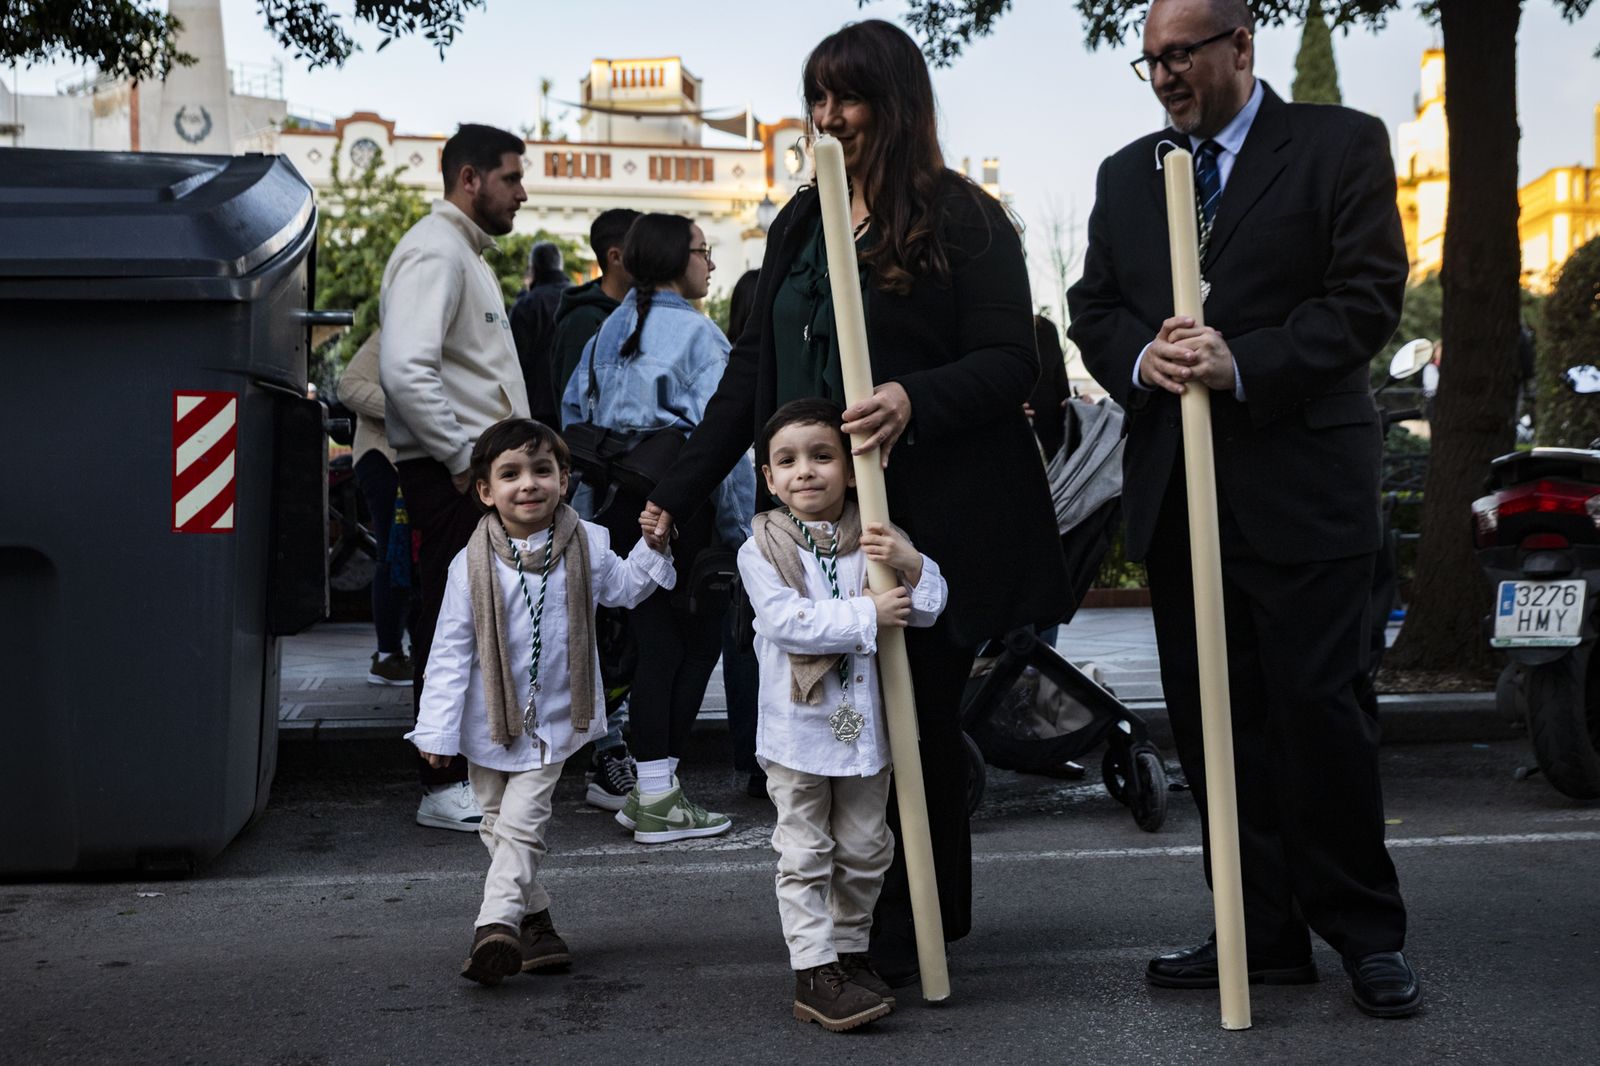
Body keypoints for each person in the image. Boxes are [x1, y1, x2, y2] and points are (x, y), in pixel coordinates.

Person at [641, 20, 1071, 986]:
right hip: (812, 527)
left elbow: (1014, 361)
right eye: (817, 98)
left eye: (847, 97)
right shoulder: (801, 221)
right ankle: (838, 926)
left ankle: (914, 928)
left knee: (910, 721)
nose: (827, 117)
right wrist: (681, 486)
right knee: (832, 726)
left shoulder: (967, 218)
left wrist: (916, 397)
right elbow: (753, 364)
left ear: (897, 104)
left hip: (926, 516)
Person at [1066, 0, 1419, 1018]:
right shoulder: (1126, 174)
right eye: (1149, 62)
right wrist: (1142, 355)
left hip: (1304, 493)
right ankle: (1260, 935)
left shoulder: (1337, 145)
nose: (1165, 75)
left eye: (1180, 55)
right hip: (1181, 497)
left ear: (1239, 44)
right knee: (1218, 725)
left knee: (1322, 718)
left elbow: (1367, 295)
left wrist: (1241, 361)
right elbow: (1093, 308)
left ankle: (1363, 933)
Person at [407, 418, 676, 985]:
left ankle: (495, 925)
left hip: (554, 716)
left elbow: (625, 590)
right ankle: (539, 925)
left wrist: (652, 548)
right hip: (486, 723)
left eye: (541, 471)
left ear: (565, 479)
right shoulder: (469, 564)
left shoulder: (590, 544)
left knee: (524, 824)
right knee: (497, 824)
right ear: (486, 491)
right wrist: (436, 731)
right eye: (510, 474)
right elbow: (450, 652)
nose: (527, 484)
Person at [738, 399, 947, 1032]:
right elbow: (786, 623)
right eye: (788, 461)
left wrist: (912, 565)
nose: (806, 471)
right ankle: (812, 968)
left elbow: (929, 608)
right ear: (770, 479)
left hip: (866, 730)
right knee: (804, 850)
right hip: (797, 731)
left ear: (852, 471)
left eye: (822, 456)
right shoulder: (762, 549)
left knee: (866, 847)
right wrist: (867, 616)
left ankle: (851, 953)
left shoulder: (878, 539)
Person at [562, 213, 756, 845]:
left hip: (619, 506)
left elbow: (573, 421)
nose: (710, 264)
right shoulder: (699, 337)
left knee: (651, 647)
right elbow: (724, 444)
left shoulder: (606, 332)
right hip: (683, 508)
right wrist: (737, 533)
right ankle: (659, 796)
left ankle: (647, 791)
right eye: (703, 252)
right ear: (679, 259)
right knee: (687, 648)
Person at [380, 122, 528, 832]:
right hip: (452, 478)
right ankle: (439, 785)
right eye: (511, 177)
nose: (521, 192)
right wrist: (467, 461)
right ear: (470, 179)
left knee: (468, 622)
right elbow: (406, 370)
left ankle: (461, 775)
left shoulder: (458, 251)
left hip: (465, 474)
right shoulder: (436, 250)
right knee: (449, 623)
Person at [547, 208, 643, 811]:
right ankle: (603, 754)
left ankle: (608, 746)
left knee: (618, 629)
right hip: (593, 494)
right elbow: (579, 421)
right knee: (596, 628)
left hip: (619, 494)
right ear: (615, 256)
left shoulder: (630, 317)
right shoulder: (588, 323)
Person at [335, 331, 418, 686]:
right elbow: (350, 386)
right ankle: (387, 656)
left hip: (415, 459)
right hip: (383, 457)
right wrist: (414, 410)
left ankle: (411, 651)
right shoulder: (395, 331)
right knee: (394, 553)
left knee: (413, 555)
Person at [722, 268, 766, 799]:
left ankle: (752, 756)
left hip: (738, 532)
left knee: (744, 641)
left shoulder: (732, 364)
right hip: (757, 527)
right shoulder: (764, 371)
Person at [549, 208, 642, 396]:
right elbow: (577, 408)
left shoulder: (640, 312)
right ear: (615, 257)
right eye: (643, 250)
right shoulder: (582, 322)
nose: (652, 259)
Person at [510, 240, 571, 426]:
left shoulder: (527, 304)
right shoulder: (578, 296)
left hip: (537, 405)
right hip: (574, 402)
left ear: (533, 268)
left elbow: (515, 358)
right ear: (559, 265)